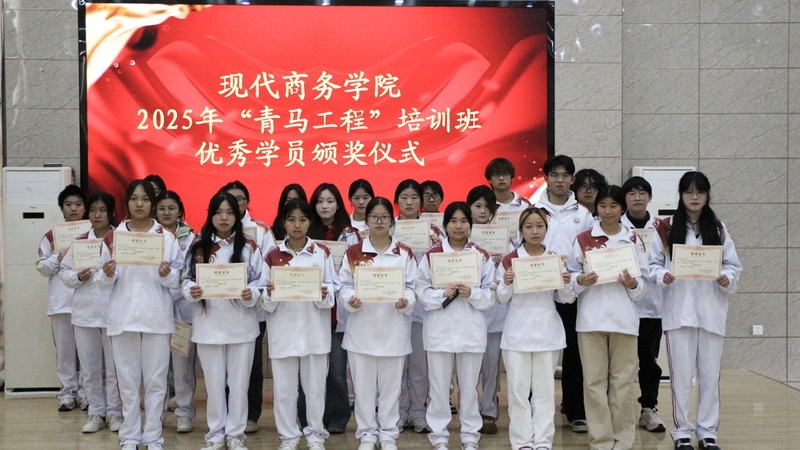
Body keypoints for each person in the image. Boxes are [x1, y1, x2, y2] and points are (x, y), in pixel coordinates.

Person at [649, 172, 742, 450]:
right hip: (679, 311)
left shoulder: (718, 228)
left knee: (710, 376)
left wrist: (727, 278)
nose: (694, 197)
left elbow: (732, 265)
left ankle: (708, 431)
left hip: (711, 309)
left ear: (707, 195)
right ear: (680, 195)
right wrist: (662, 275)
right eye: (688, 191)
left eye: (699, 192)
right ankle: (682, 432)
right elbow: (652, 265)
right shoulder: (665, 227)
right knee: (681, 376)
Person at [94, 180, 182, 450]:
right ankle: (130, 436)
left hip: (156, 317)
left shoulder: (167, 237)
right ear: (127, 203)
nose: (139, 204)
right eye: (134, 199)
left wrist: (168, 275)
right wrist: (107, 274)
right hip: (123, 317)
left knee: (156, 382)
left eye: (145, 199)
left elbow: (178, 280)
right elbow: (100, 281)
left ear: (152, 203)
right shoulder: (113, 237)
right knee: (128, 382)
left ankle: (153, 436)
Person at [564, 185, 650, 450]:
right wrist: (581, 281)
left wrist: (632, 284)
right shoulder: (583, 239)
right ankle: (600, 440)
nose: (608, 211)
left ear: (622, 208)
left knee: (623, 383)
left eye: (613, 206)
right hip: (591, 321)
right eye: (603, 206)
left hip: (625, 321)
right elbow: (569, 279)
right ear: (596, 208)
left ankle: (623, 439)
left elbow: (644, 285)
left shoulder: (634, 239)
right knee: (593, 383)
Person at [183, 192, 264, 450]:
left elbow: (260, 280)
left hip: (241, 326)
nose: (224, 217)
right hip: (208, 325)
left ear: (237, 215)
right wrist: (192, 290)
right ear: (211, 215)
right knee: (214, 385)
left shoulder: (249, 245)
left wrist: (251, 293)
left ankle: (235, 434)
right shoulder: (198, 245)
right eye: (218, 212)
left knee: (239, 384)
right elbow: (186, 279)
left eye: (229, 212)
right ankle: (216, 435)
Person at [338, 197, 417, 450]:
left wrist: (407, 300)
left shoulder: (404, 253)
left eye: (384, 217)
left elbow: (412, 287)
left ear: (391, 221)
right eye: (374, 217)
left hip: (393, 329)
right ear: (367, 221)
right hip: (362, 330)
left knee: (391, 388)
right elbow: (343, 286)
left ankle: (388, 434)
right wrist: (351, 298)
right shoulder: (353, 253)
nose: (379, 222)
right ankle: (367, 434)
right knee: (363, 389)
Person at [416, 202, 495, 450]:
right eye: (453, 221)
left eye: (463, 221)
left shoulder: (481, 256)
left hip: (471, 329)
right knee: (439, 388)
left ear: (470, 225)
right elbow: (420, 289)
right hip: (439, 330)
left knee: (469, 388)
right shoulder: (432, 256)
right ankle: (439, 437)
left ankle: (470, 436)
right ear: (445, 225)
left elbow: (491, 293)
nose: (458, 226)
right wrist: (441, 294)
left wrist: (472, 293)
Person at [260, 199, 336, 450]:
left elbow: (333, 288)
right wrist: (270, 293)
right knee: (284, 391)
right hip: (283, 332)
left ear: (309, 222)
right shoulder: (272, 255)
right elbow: (263, 297)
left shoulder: (321, 253)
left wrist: (324, 293)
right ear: (284, 223)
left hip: (315, 332)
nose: (297, 225)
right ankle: (288, 437)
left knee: (315, 390)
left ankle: (315, 435)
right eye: (291, 220)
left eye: (302, 220)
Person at [496, 207, 572, 450]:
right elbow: (501, 298)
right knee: (518, 391)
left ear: (546, 229)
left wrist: (566, 282)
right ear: (521, 230)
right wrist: (507, 282)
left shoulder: (555, 259)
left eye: (539, 226)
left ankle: (543, 441)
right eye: (528, 226)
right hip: (517, 333)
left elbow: (566, 299)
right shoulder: (510, 259)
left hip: (548, 332)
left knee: (544, 392)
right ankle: (521, 441)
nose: (535, 231)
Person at [533, 154, 593, 433]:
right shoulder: (534, 210)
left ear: (572, 179)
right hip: (539, 291)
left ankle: (574, 409)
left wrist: (576, 274)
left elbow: (589, 250)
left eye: (565, 175)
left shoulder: (583, 214)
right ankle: (535, 408)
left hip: (572, 290)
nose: (559, 180)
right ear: (546, 178)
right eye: (554, 175)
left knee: (573, 353)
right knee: (538, 350)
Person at [59, 192, 123, 433]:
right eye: (94, 210)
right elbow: (64, 273)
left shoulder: (120, 239)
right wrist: (78, 276)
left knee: (115, 368)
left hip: (113, 312)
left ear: (111, 213)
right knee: (89, 367)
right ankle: (96, 412)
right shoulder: (80, 241)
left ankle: (115, 412)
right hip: (84, 313)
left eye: (102, 210)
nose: (97, 215)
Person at [219, 180, 277, 434]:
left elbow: (272, 263)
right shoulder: (212, 232)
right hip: (221, 308)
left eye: (240, 199)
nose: (235, 203)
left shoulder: (261, 231)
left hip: (254, 309)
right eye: (229, 198)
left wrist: (253, 287)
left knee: (251, 364)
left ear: (247, 202)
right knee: (222, 365)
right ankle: (225, 415)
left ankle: (250, 415)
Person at [303, 182, 358, 434]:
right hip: (312, 308)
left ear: (338, 204)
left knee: (336, 370)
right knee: (309, 371)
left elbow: (357, 269)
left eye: (330, 201)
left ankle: (337, 418)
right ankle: (307, 419)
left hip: (339, 311)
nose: (325, 206)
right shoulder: (305, 233)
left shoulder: (351, 234)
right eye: (320, 201)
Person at [395, 179, 443, 433]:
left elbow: (443, 263)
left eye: (414, 197)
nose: (410, 202)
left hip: (422, 309)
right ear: (397, 202)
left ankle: (419, 413)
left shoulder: (433, 231)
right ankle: (399, 413)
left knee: (419, 366)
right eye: (404, 197)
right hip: (394, 306)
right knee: (397, 365)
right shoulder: (389, 229)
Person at [36, 184, 88, 412]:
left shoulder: (94, 233)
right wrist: (59, 257)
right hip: (61, 303)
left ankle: (86, 394)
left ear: (85, 208)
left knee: (87, 353)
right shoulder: (51, 236)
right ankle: (67, 394)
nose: (73, 209)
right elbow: (42, 268)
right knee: (65, 353)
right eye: (68, 205)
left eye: (78, 204)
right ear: (61, 208)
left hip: (88, 301)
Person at [620, 177, 666, 432]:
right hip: (622, 306)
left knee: (648, 361)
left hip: (652, 306)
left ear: (650, 197)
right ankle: (619, 412)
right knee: (620, 364)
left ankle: (648, 409)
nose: (637, 197)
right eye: (632, 193)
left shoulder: (662, 227)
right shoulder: (616, 226)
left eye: (642, 193)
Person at [155, 190, 197, 433]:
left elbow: (188, 275)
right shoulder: (148, 237)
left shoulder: (191, 239)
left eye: (171, 208)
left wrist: (171, 292)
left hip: (182, 311)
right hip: (154, 310)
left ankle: (184, 412)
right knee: (156, 367)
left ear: (179, 211)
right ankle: (157, 414)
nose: (166, 212)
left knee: (182, 368)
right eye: (162, 208)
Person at [466, 186, 504, 434]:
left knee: (491, 366)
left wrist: (500, 263)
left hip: (495, 313)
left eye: (487, 207)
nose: (482, 211)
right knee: (468, 368)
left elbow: (508, 277)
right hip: (467, 312)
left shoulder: (505, 239)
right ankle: (469, 412)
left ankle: (489, 410)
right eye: (477, 206)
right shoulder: (460, 237)